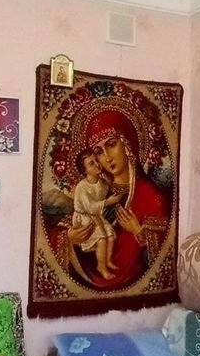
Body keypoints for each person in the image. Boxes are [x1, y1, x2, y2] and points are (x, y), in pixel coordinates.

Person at [64, 107, 169, 289]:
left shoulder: (150, 196)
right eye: (98, 151)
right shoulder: (97, 189)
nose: (106, 157)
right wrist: (70, 238)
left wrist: (139, 232)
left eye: (111, 144)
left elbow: (162, 258)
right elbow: (69, 226)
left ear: (126, 145)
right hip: (87, 276)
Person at [70, 151, 123, 279]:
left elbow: (106, 192)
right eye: (91, 163)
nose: (97, 164)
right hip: (84, 218)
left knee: (110, 236)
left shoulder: (102, 182)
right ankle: (101, 267)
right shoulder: (82, 187)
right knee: (101, 239)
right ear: (85, 170)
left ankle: (108, 261)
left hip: (96, 216)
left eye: (96, 161)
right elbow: (90, 207)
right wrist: (109, 202)